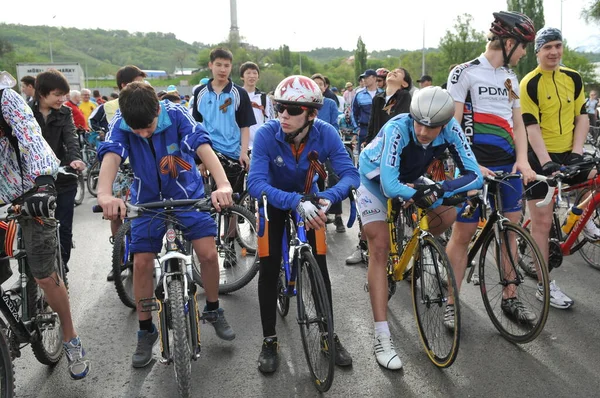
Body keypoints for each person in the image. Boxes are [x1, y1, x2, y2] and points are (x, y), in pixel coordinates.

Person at [96, 81, 236, 368]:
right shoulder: (121, 123)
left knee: (208, 254)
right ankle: (146, 330)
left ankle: (212, 309)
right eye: (137, 131)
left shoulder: (177, 114)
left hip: (187, 195)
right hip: (146, 200)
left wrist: (222, 185)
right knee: (143, 262)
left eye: (148, 127)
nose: (143, 133)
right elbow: (111, 155)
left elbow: (203, 145)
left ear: (158, 109)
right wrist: (104, 194)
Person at [358, 86, 482, 370]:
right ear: (412, 115)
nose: (425, 132)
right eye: (420, 123)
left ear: (445, 123)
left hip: (411, 177)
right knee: (379, 248)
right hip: (374, 177)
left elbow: (475, 175)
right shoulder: (398, 128)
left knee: (448, 212)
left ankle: (414, 247)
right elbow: (390, 185)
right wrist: (417, 194)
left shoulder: (451, 128)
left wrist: (442, 188)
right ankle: (382, 335)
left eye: (433, 127)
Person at [247, 75, 359, 373]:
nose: (283, 114)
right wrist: (294, 201)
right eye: (279, 107)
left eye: (293, 110)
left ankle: (327, 335)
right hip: (275, 200)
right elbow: (255, 183)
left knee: (320, 270)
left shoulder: (327, 133)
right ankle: (269, 339)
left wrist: (326, 197)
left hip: (312, 200)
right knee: (269, 269)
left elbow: (350, 175)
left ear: (312, 114)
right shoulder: (267, 134)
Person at [444, 11, 538, 328]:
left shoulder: (510, 79)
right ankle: (451, 301)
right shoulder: (465, 73)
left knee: (510, 230)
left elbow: (518, 124)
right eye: (524, 46)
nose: (525, 53)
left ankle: (510, 297)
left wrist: (522, 160)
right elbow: (454, 128)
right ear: (509, 42)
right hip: (473, 167)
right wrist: (472, 167)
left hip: (507, 165)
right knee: (464, 233)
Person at [0, 71, 90, 380]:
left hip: (29, 192)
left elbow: (29, 137)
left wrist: (41, 184)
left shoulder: (6, 99)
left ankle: (70, 338)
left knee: (44, 274)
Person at [520, 27, 600, 309]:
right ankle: (544, 285)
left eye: (557, 45)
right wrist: (546, 163)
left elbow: (582, 117)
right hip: (539, 155)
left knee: (596, 179)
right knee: (541, 223)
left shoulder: (574, 78)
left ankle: (580, 215)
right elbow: (530, 127)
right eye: (547, 47)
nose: (554, 51)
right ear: (538, 51)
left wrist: (578, 153)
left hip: (569, 151)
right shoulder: (529, 83)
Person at [345, 68, 414, 264]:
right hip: (374, 156)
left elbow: (399, 128)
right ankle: (363, 245)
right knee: (368, 204)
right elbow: (373, 126)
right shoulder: (378, 99)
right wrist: (367, 142)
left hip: (396, 155)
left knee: (401, 203)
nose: (393, 72)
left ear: (404, 83)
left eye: (399, 72)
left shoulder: (405, 98)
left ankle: (412, 255)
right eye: (392, 70)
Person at [88, 65, 147, 282]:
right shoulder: (108, 106)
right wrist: (102, 136)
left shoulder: (146, 102)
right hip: (119, 167)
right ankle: (120, 258)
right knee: (116, 213)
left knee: (143, 213)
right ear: (124, 85)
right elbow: (92, 123)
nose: (143, 86)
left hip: (140, 166)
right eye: (138, 81)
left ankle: (143, 255)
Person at [29, 70, 86, 274]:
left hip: (62, 176)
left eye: (64, 94)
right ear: (41, 93)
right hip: (32, 179)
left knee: (64, 225)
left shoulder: (65, 112)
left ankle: (62, 266)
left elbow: (70, 138)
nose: (62, 99)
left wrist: (75, 159)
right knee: (32, 227)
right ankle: (32, 272)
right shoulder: (26, 112)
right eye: (57, 94)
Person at [190, 47, 256, 194]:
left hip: (232, 154)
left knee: (231, 201)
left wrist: (243, 153)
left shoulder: (239, 93)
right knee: (208, 200)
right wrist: (199, 159)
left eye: (226, 66)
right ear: (210, 65)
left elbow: (245, 126)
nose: (222, 69)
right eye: (218, 65)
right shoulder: (199, 92)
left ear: (231, 67)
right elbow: (196, 126)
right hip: (209, 151)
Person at [240, 61, 273, 151]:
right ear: (242, 77)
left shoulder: (264, 98)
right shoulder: (237, 96)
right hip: (240, 145)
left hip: (260, 144)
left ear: (258, 77)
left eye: (255, 73)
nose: (252, 76)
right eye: (248, 73)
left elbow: (270, 121)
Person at [352, 69, 383, 149]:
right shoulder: (359, 95)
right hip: (364, 129)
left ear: (374, 78)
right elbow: (354, 113)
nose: (364, 80)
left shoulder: (383, 94)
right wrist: (357, 129)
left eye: (366, 77)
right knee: (363, 156)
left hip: (380, 129)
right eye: (363, 78)